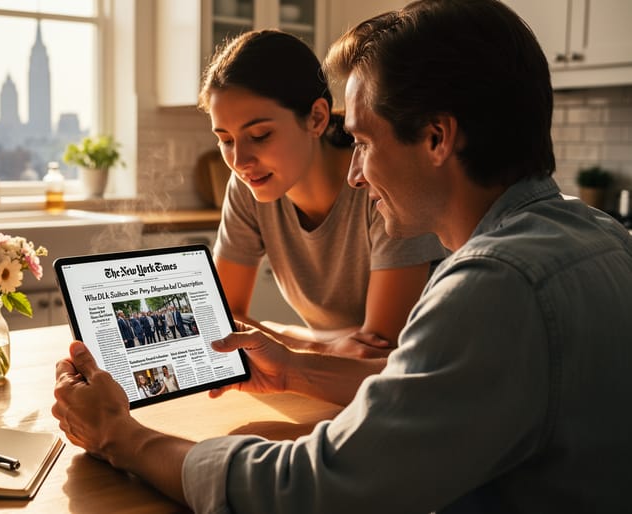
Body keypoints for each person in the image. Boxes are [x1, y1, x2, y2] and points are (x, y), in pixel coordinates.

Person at [53, 1, 632, 511]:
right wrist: (295, 366)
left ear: (436, 138)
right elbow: (434, 387)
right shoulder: (604, 238)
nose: (354, 172)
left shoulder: (495, 285)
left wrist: (124, 439)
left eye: (362, 141)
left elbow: (315, 490)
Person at [202, 29, 447, 355]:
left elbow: (378, 349)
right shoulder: (249, 186)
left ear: (316, 118)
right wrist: (323, 342)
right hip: (326, 375)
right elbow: (224, 320)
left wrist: (271, 337)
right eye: (226, 140)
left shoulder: (381, 185)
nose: (240, 161)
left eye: (260, 135)